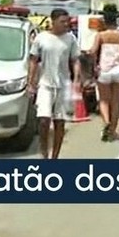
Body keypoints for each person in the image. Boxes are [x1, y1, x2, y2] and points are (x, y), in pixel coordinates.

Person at [28, 9, 82, 159]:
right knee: (44, 120)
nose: (66, 25)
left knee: (60, 121)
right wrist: (30, 82)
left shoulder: (70, 39)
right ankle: (44, 153)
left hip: (64, 84)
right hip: (45, 83)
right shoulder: (41, 38)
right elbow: (33, 60)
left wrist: (77, 79)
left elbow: (75, 60)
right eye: (62, 22)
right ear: (53, 21)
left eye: (67, 22)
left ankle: (55, 157)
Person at [89, 4, 119, 141]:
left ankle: (106, 123)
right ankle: (112, 132)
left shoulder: (100, 35)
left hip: (104, 70)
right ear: (116, 20)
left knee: (104, 101)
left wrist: (95, 66)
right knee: (116, 102)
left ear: (104, 20)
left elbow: (93, 51)